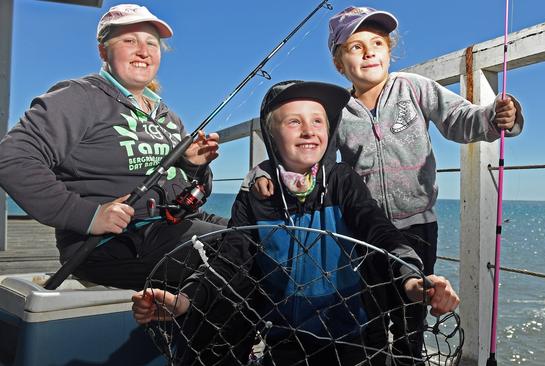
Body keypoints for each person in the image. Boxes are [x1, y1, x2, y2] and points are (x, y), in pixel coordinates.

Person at [245, 6, 525, 364]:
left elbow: (460, 119)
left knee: (412, 315)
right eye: (355, 46)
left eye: (377, 42)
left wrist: (498, 115)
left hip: (418, 227)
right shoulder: (338, 110)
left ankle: (409, 359)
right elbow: (308, 159)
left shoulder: (414, 87)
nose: (369, 52)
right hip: (361, 231)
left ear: (390, 50)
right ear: (339, 62)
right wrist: (264, 172)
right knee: (370, 311)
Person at [132, 80, 460, 365]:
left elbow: (379, 230)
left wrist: (413, 280)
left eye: (318, 121)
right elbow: (230, 260)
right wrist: (186, 301)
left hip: (356, 334)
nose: (308, 130)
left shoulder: (343, 180)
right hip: (285, 335)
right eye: (293, 122)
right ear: (271, 136)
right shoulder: (255, 193)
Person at [0, 4, 227, 290]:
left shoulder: (166, 114)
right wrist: (88, 216)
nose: (143, 51)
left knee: (266, 237)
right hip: (114, 242)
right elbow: (12, 158)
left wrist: (194, 165)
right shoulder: (78, 96)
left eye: (151, 43)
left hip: (177, 222)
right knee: (237, 248)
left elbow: (198, 189)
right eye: (129, 41)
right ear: (103, 51)